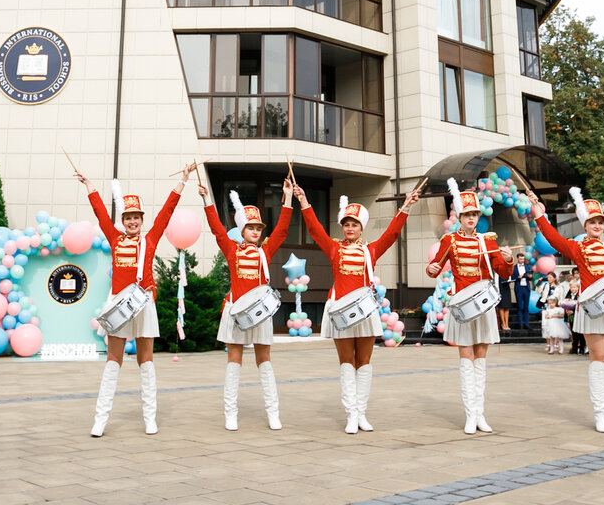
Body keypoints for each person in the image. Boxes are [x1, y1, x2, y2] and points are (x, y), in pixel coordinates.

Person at [78, 163, 195, 437]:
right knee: (112, 360)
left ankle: (149, 418)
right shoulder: (114, 239)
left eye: (136, 218)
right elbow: (99, 213)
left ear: (142, 220)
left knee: (146, 360)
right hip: (119, 304)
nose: (132, 222)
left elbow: (166, 213)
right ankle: (100, 420)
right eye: (128, 217)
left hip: (144, 304)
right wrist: (89, 185)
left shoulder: (150, 240)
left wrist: (183, 181)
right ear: (122, 220)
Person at [528, 181, 604, 433]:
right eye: (593, 222)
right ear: (585, 225)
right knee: (597, 359)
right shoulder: (576, 247)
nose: (597, 226)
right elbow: (552, 236)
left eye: (601, 222)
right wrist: (538, 213)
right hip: (592, 307)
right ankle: (599, 414)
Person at [297, 184, 419, 434]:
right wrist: (304, 201)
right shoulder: (334, 248)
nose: (350, 228)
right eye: (346, 224)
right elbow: (314, 230)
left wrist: (405, 207)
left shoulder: (370, 250)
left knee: (364, 362)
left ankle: (361, 413)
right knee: (346, 362)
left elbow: (391, 235)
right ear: (342, 227)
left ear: (361, 227)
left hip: (364, 312)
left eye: (354, 225)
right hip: (341, 311)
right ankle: (351, 415)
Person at [198, 179, 293, 431]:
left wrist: (288, 198)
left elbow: (282, 231)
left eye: (258, 228)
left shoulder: (266, 250)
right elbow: (217, 229)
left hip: (260, 313)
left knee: (265, 360)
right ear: (242, 230)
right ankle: (231, 414)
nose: (255, 231)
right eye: (250, 227)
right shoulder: (231, 250)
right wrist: (207, 199)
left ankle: (273, 412)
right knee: (234, 360)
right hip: (235, 311)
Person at [427, 178, 513, 434]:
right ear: (459, 217)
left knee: (482, 359)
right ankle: (469, 415)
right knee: (466, 358)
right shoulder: (449, 240)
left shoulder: (488, 241)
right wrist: (430, 269)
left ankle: (480, 414)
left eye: (474, 214)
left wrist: (507, 260)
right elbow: (435, 267)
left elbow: (501, 270)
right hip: (462, 306)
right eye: (466, 215)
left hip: (484, 306)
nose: (471, 218)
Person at [511, 253, 532, 330]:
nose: (522, 260)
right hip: (519, 288)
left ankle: (526, 324)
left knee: (526, 307)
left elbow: (530, 278)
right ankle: (520, 324)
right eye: (520, 259)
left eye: (523, 259)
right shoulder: (514, 268)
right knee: (519, 307)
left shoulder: (527, 267)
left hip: (526, 288)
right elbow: (512, 278)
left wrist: (530, 277)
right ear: (517, 258)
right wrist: (517, 277)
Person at [496, 267, 512, 332]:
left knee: (507, 306)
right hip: (500, 288)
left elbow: (510, 278)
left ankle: (507, 324)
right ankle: (503, 323)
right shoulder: (497, 270)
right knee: (502, 307)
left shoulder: (507, 270)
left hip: (506, 288)